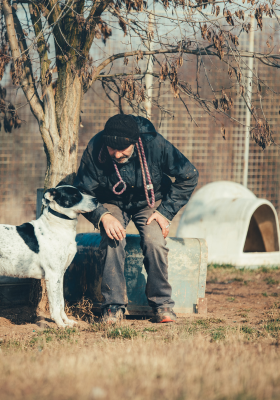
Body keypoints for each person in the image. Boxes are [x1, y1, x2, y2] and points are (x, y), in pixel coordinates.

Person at [74, 114, 198, 323]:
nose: (117, 153)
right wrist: (102, 215)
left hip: (150, 202)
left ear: (134, 141)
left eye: (123, 148)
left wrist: (165, 212)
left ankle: (162, 305)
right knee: (113, 238)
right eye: (112, 148)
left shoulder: (154, 144)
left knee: (154, 241)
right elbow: (82, 191)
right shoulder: (96, 148)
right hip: (111, 202)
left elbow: (189, 175)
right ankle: (113, 307)